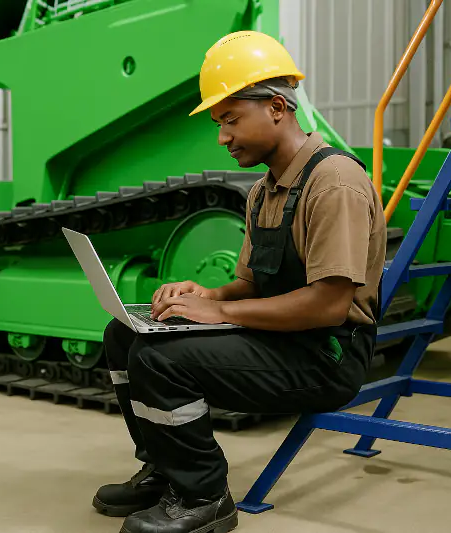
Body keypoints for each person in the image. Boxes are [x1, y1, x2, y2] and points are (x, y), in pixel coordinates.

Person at [92, 31, 387, 533]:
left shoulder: (333, 182)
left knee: (160, 360)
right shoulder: (263, 193)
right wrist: (206, 295)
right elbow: (249, 286)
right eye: (219, 123)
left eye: (231, 119)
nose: (223, 136)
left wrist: (221, 313)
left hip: (327, 354)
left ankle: (203, 496)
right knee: (124, 336)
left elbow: (328, 306)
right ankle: (165, 467)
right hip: (280, 338)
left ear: (276, 107)